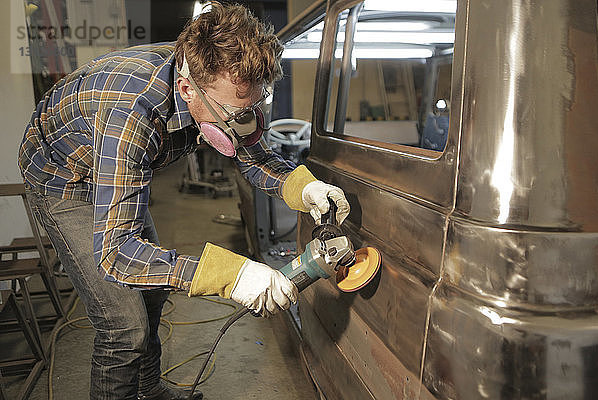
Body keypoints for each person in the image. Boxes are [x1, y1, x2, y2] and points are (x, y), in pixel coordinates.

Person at [18, 2, 350, 399]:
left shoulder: (218, 89)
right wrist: (234, 276)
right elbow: (116, 253)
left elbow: (253, 156)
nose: (243, 124)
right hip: (63, 176)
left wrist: (306, 188)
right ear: (187, 88)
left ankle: (149, 390)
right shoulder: (132, 110)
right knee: (125, 325)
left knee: (153, 290)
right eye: (233, 114)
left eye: (253, 109)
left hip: (111, 156)